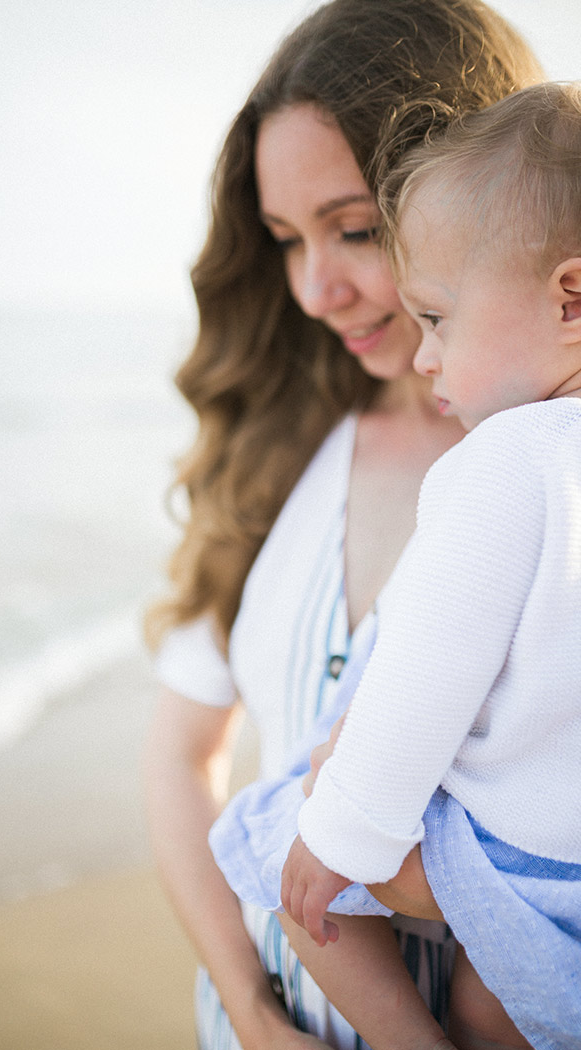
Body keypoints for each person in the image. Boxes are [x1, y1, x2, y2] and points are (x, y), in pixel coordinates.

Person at [140, 0, 544, 1046]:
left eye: (356, 229)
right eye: (284, 240)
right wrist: (245, 1007)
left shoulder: (554, 481)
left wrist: (432, 891)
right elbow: (179, 755)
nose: (317, 288)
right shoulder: (273, 448)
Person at [264, 80, 581, 1050]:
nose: (424, 358)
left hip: (514, 859)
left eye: (436, 319)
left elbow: (423, 673)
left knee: (277, 857)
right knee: (505, 1013)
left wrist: (342, 832)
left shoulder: (502, 460)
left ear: (569, 297)